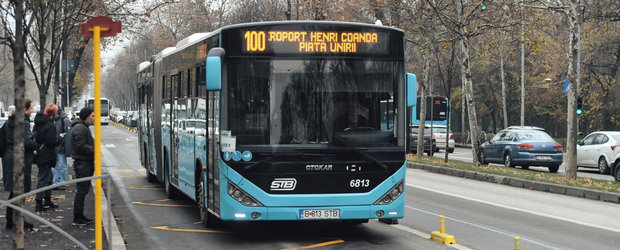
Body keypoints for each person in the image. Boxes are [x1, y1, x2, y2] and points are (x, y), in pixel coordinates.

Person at [2, 99, 36, 230]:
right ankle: (18, 221)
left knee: (14, 192)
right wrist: (35, 141)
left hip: (9, 158)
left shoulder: (9, 122)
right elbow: (27, 142)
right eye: (31, 108)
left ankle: (10, 221)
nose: (32, 111)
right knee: (20, 192)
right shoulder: (24, 123)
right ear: (25, 110)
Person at [33, 104, 63, 212]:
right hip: (46, 155)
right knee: (43, 179)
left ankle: (47, 200)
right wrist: (60, 138)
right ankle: (39, 202)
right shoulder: (49, 125)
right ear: (53, 113)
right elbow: (52, 142)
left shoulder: (39, 122)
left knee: (48, 178)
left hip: (41, 153)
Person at [71, 107, 95, 226]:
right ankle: (77, 217)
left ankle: (80, 216)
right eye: (92, 116)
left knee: (84, 190)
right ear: (86, 117)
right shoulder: (80, 128)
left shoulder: (83, 127)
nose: (94, 118)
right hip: (83, 163)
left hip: (86, 162)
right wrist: (93, 150)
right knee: (81, 191)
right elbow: (80, 145)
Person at [53, 109, 71, 190]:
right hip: (55, 146)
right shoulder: (56, 119)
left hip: (61, 146)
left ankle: (61, 182)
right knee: (55, 166)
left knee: (61, 165)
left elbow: (68, 134)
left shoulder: (64, 120)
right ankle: (56, 182)